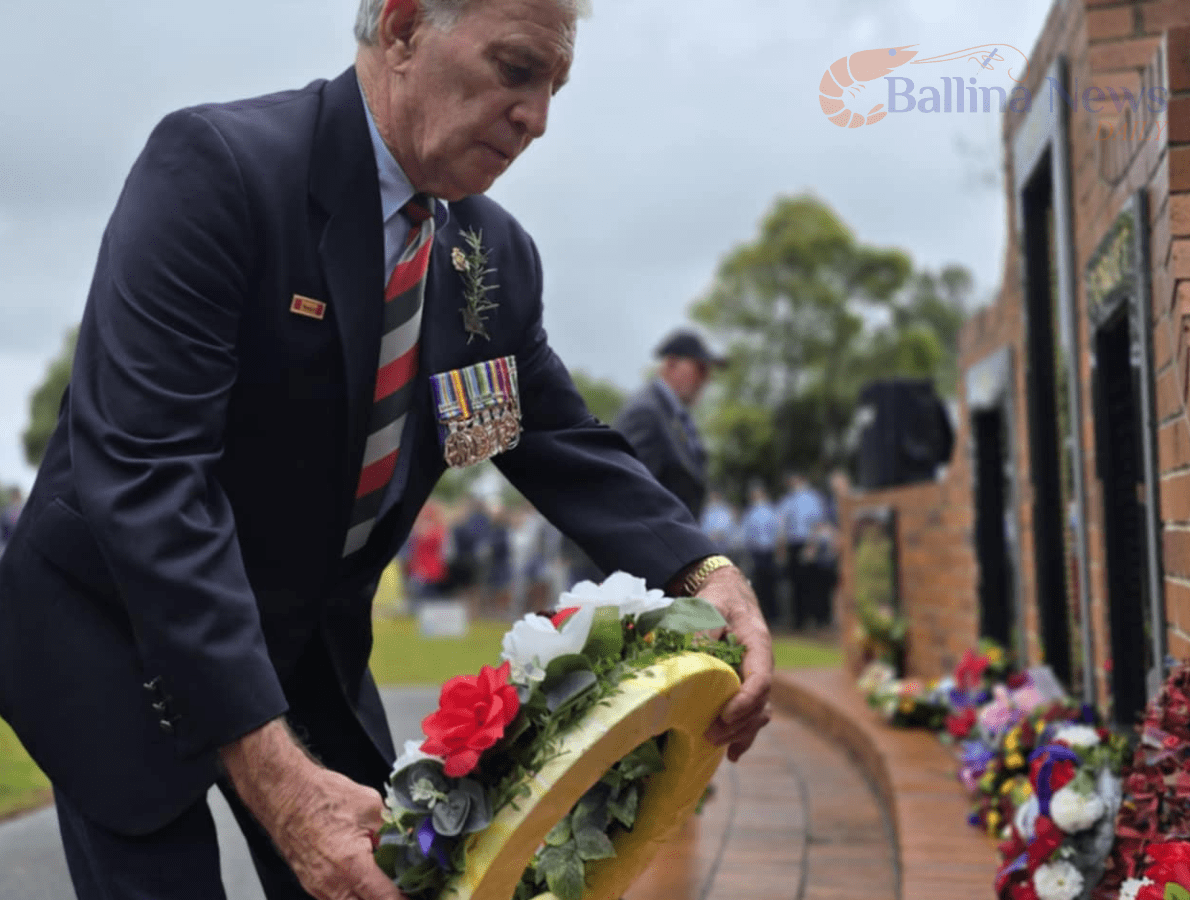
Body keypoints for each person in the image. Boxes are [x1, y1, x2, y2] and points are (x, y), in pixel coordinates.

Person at [0, 2, 773, 899]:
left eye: (555, 87)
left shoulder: (491, 254)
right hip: (119, 628)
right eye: (516, 69)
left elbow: (552, 436)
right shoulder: (219, 169)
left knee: (387, 879)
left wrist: (706, 573)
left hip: (302, 646)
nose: (539, 117)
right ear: (403, 27)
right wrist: (276, 777)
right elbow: (147, 473)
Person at [611, 328, 725, 520]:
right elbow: (628, 496)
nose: (706, 380)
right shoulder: (646, 412)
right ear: (671, 364)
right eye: (701, 369)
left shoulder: (674, 417)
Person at [777, 472, 826, 630]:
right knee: (795, 583)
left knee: (811, 582)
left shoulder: (812, 497)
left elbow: (817, 523)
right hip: (793, 543)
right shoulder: (788, 500)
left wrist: (812, 546)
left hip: (808, 541)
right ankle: (799, 620)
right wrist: (782, 548)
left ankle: (815, 618)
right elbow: (782, 526)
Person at [741, 484, 782, 627]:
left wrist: (779, 550)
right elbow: (745, 534)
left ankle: (773, 616)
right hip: (756, 552)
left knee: (770, 585)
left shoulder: (771, 511)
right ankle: (762, 615)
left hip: (769, 551)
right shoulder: (750, 512)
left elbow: (778, 532)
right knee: (758, 585)